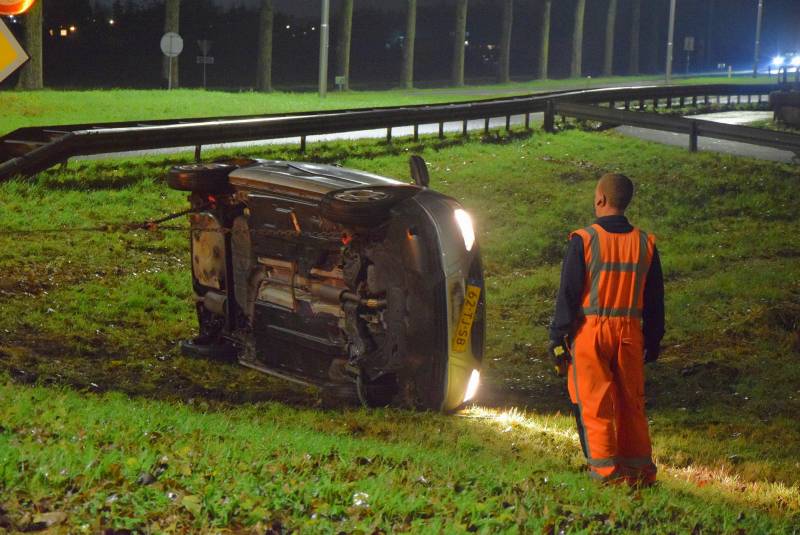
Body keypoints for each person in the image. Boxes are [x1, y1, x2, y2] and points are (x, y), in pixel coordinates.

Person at [548, 173, 664, 486]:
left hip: (591, 332)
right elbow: (655, 299)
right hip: (630, 334)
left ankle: (605, 473)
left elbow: (568, 294)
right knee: (631, 404)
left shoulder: (583, 240)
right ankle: (639, 470)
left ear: (600, 199)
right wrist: (653, 340)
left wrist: (558, 337)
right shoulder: (645, 243)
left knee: (594, 403)